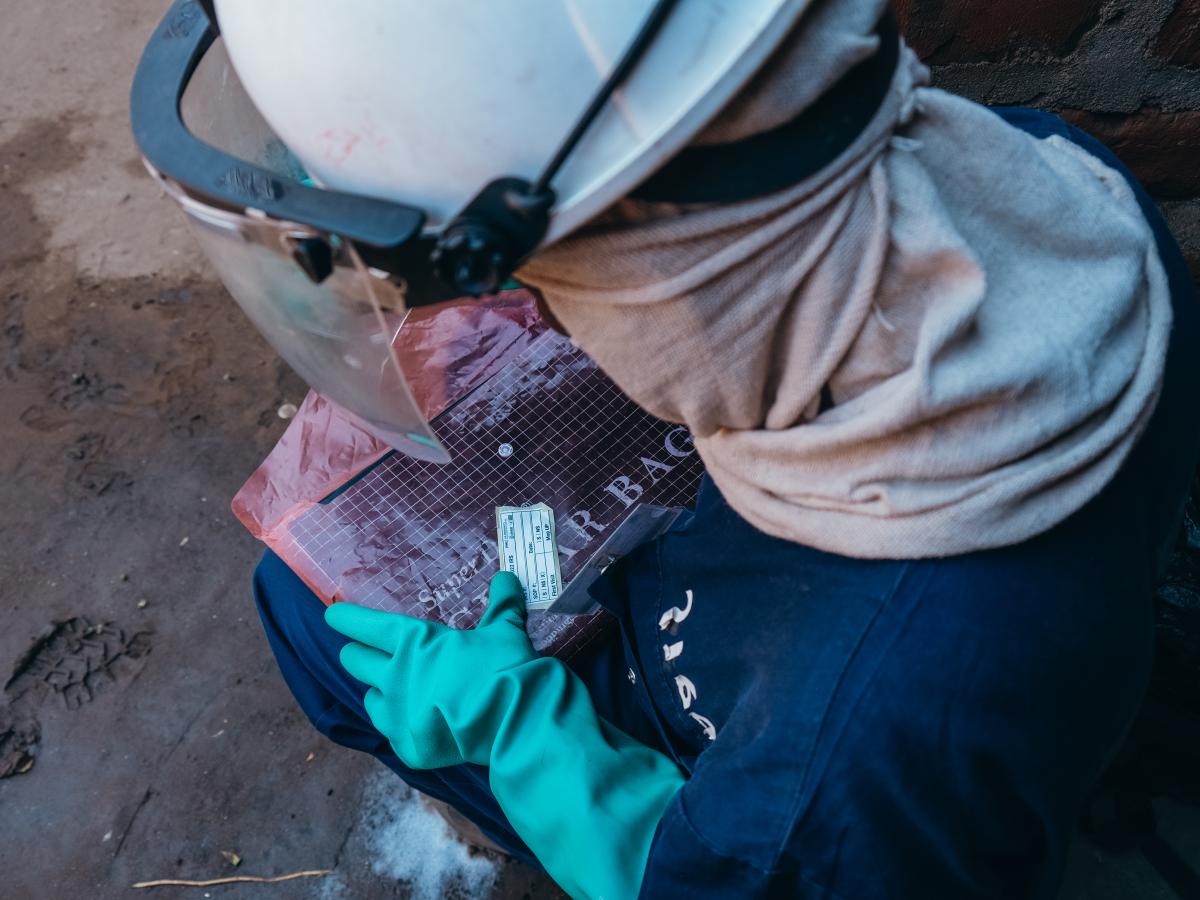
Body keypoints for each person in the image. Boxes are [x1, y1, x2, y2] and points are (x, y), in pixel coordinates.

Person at [134, 1, 1200, 897]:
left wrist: (543, 749)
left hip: (823, 718)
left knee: (313, 616)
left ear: (649, 262)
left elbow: (754, 871)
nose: (513, 310)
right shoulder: (1058, 189)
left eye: (527, 281)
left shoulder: (855, 767)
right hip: (878, 629)